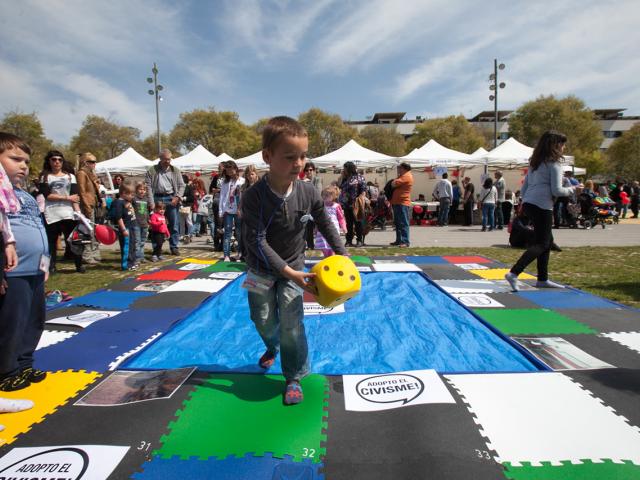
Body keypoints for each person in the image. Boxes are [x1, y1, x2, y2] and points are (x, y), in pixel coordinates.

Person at [241, 116, 347, 405]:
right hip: (260, 269)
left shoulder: (308, 190)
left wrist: (342, 253)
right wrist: (288, 272)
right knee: (262, 319)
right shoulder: (253, 197)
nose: (299, 163)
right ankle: (272, 347)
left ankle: (294, 375)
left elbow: (325, 223)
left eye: (302, 156)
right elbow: (257, 241)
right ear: (267, 156)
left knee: (292, 322)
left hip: (295, 265)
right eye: (290, 157)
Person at [0, 132, 49, 393]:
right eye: (15, 159)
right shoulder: (1, 195)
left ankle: (24, 363)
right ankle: (6, 370)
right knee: (12, 321)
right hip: (14, 271)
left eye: (27, 161)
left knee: (34, 320)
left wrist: (45, 264)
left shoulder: (26, 196)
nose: (23, 166)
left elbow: (39, 228)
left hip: (34, 270)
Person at [505, 131, 575, 292]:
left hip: (530, 203)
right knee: (542, 243)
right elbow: (557, 190)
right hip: (542, 205)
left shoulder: (535, 164)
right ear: (556, 145)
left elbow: (524, 188)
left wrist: (526, 201)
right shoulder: (554, 164)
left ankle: (542, 278)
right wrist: (572, 190)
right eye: (562, 144)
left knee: (547, 241)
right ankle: (514, 272)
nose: (564, 148)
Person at [39, 150, 84, 274]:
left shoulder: (70, 176)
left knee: (75, 241)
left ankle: (79, 265)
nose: (57, 162)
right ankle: (51, 266)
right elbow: (47, 195)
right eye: (54, 159)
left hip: (69, 214)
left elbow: (74, 196)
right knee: (51, 243)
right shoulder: (44, 176)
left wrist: (79, 213)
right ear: (49, 161)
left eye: (59, 160)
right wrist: (67, 198)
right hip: (51, 214)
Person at [144, 149, 185, 255]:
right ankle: (157, 248)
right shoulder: (152, 170)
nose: (168, 161)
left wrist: (177, 197)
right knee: (156, 225)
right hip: (157, 198)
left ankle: (174, 246)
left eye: (169, 159)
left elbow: (182, 185)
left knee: (174, 224)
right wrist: (151, 202)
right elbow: (148, 187)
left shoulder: (175, 170)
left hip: (171, 198)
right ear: (160, 158)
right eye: (165, 159)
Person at [76, 152, 102, 265]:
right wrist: (86, 207)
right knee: (88, 231)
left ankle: (95, 253)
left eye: (95, 162)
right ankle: (87, 255)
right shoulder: (81, 173)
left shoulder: (91, 174)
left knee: (94, 231)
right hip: (87, 205)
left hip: (93, 203)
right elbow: (82, 191)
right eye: (91, 162)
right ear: (85, 163)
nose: (94, 164)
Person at [219, 161, 245, 262]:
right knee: (227, 232)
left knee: (239, 232)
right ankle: (226, 255)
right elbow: (222, 196)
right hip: (228, 210)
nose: (230, 172)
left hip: (238, 210)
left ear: (235, 169)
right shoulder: (225, 182)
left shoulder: (242, 181)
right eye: (228, 171)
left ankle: (239, 253)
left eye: (231, 170)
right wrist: (221, 211)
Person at [338, 162, 366, 247]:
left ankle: (359, 240)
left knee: (358, 222)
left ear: (349, 169)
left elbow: (363, 189)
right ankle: (348, 240)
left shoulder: (359, 177)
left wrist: (361, 199)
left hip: (356, 204)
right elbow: (340, 187)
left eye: (345, 168)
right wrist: (342, 177)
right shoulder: (345, 178)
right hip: (346, 204)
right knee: (348, 224)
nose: (344, 170)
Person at [111, 181, 137, 271]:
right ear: (123, 193)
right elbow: (119, 218)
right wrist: (123, 229)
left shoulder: (128, 201)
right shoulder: (119, 203)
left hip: (132, 226)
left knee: (132, 245)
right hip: (126, 227)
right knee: (127, 246)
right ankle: (126, 264)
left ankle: (132, 262)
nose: (132, 196)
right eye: (131, 194)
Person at [314, 186, 346, 257]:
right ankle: (326, 256)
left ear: (333, 196)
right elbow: (318, 218)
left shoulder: (336, 206)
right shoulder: (321, 206)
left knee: (332, 244)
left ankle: (331, 256)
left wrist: (344, 227)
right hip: (322, 229)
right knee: (323, 245)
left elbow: (341, 218)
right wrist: (316, 227)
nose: (324, 196)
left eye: (327, 195)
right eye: (323, 195)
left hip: (333, 229)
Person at [390, 162, 413, 246]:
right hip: (398, 202)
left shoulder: (406, 176)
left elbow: (393, 184)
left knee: (403, 223)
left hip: (402, 203)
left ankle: (405, 241)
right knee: (398, 223)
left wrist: (394, 181)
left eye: (399, 167)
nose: (398, 169)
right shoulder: (402, 176)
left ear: (404, 168)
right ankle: (399, 240)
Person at [132, 182, 150, 264]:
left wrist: (149, 220)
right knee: (137, 241)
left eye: (144, 189)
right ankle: (137, 258)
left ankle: (142, 256)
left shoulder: (146, 200)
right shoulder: (134, 199)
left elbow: (147, 211)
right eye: (140, 189)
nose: (142, 191)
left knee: (143, 241)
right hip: (136, 223)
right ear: (136, 190)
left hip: (145, 223)